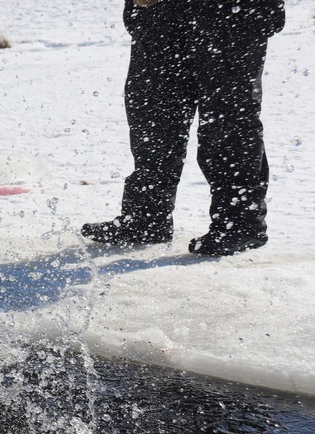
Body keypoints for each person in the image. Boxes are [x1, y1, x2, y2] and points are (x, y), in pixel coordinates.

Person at [81, 0, 286, 256]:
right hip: (161, 11)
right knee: (153, 115)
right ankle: (147, 218)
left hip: (230, 10)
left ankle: (239, 224)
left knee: (226, 120)